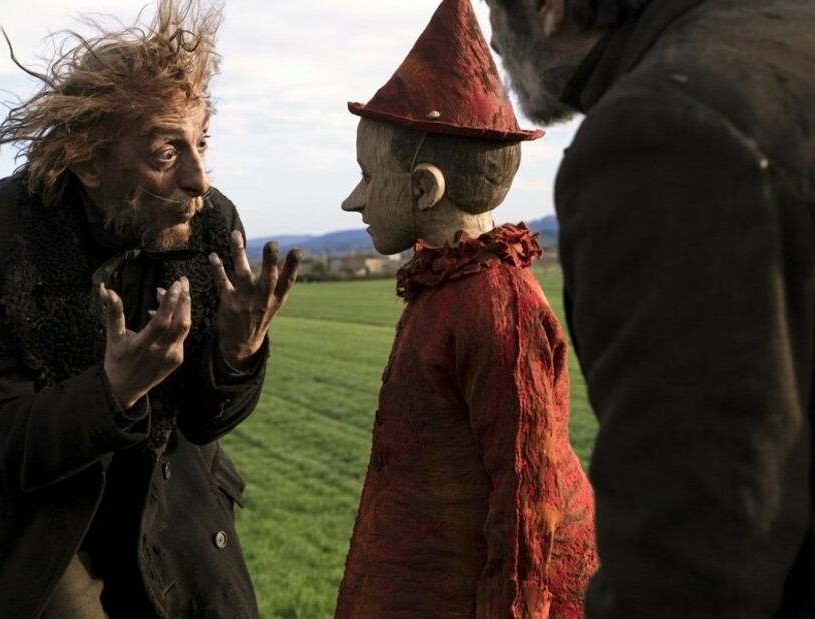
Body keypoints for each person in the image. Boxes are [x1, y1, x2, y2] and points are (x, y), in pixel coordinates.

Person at [0, 2, 302, 618]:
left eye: (202, 142)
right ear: (89, 161)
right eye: (166, 152)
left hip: (164, 521)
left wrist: (237, 353)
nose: (200, 179)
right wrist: (113, 392)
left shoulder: (210, 225)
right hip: (20, 532)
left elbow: (204, 423)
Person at [482, 0, 815, 616]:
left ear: (549, 7)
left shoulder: (665, 130)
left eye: (493, 7)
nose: (494, 42)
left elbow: (690, 565)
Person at [334, 0, 597, 616]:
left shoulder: (497, 307)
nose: (353, 201)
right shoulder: (446, 288)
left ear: (424, 187)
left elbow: (527, 505)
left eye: (369, 176)